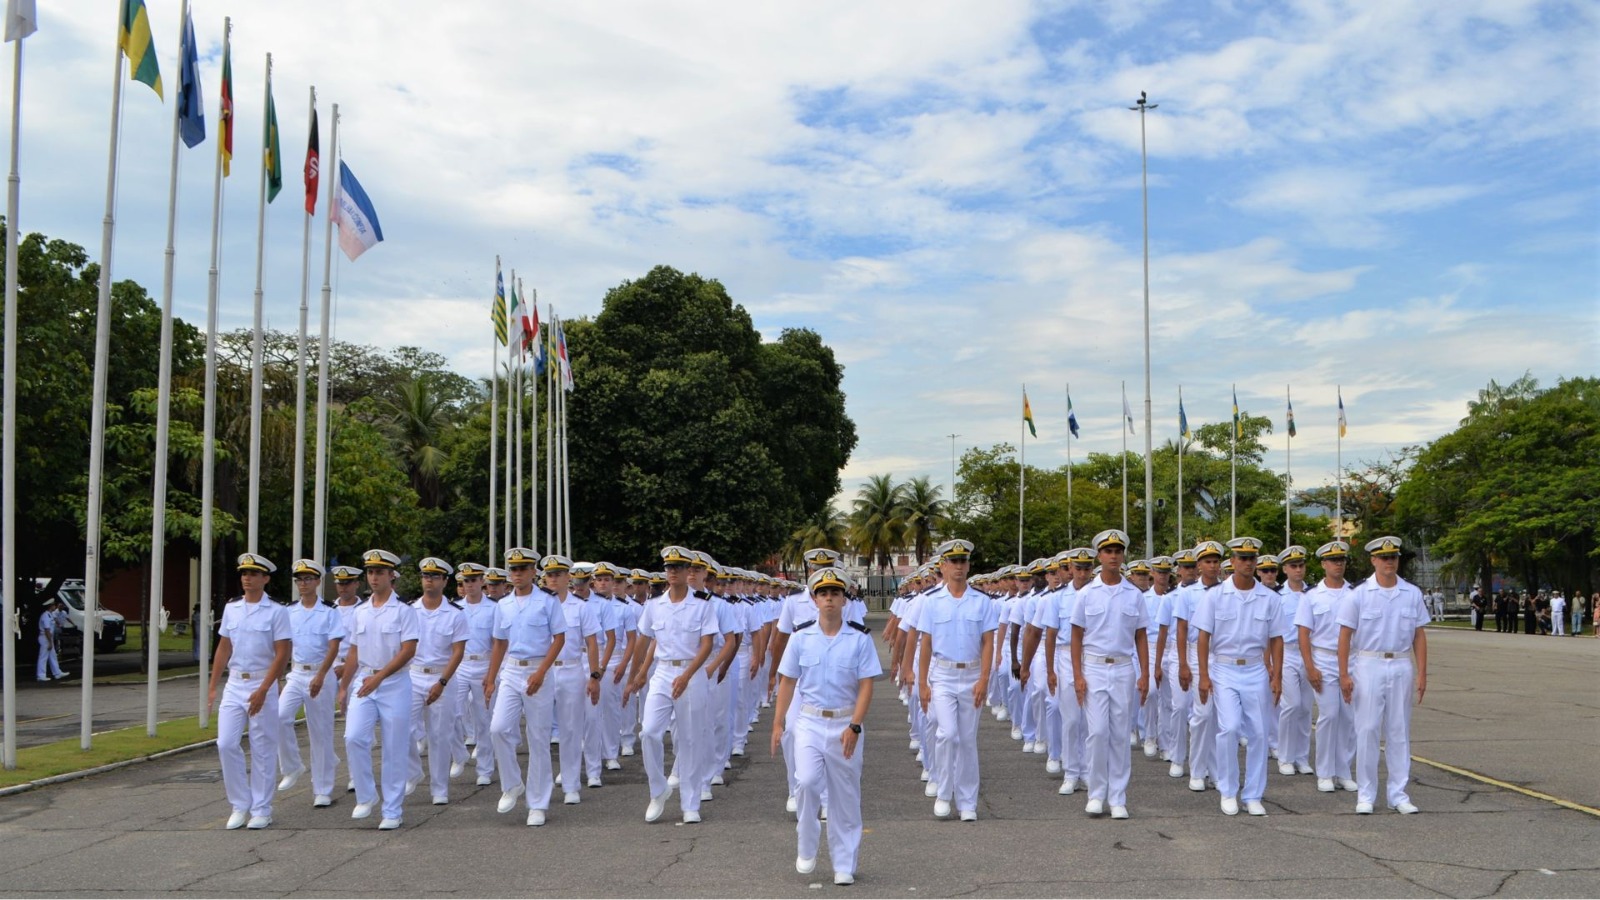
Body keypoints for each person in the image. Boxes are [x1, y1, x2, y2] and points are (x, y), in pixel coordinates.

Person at [771, 567, 879, 886]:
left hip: (846, 722)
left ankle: (844, 863)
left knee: (845, 797)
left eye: (835, 593)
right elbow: (788, 681)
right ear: (815, 600)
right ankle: (806, 843)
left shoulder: (858, 639)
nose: (829, 599)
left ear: (844, 600)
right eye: (823, 594)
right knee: (805, 782)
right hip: (809, 722)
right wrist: (778, 723)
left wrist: (855, 726)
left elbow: (867, 686)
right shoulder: (801, 637)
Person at [626, 545, 719, 824]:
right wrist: (638, 674)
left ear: (688, 570)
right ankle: (659, 790)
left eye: (679, 567)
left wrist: (688, 675)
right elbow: (644, 641)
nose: (673, 572)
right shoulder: (654, 606)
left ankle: (690, 803)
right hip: (664, 673)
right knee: (650, 733)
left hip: (692, 673)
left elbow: (707, 645)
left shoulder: (702, 604)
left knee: (690, 740)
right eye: (669, 567)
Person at [1338, 536, 1428, 814]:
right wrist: (1343, 674)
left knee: (1399, 731)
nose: (1390, 562)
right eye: (1384, 557)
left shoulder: (1411, 593)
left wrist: (1422, 672)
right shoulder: (1359, 594)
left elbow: (1419, 634)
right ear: (1373, 560)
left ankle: (1398, 794)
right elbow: (1344, 635)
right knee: (1367, 730)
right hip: (1369, 664)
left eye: (1394, 557)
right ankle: (1366, 794)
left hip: (1400, 663)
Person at [1194, 537, 1283, 817]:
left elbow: (1277, 639)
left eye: (1251, 558)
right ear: (1231, 562)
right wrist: (1204, 676)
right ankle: (1228, 790)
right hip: (1224, 668)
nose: (1247, 563)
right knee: (1229, 728)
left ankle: (1254, 794)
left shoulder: (1269, 598)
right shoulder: (1215, 596)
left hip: (1256, 668)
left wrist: (1276, 675)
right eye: (1241, 558)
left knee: (1259, 733)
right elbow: (1203, 637)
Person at [1065, 529, 1149, 819]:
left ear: (1124, 555)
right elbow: (1076, 635)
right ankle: (1096, 793)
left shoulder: (1134, 594)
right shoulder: (1087, 594)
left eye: (1118, 551)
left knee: (1120, 735)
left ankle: (1118, 797)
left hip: (1124, 667)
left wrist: (1145, 674)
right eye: (1108, 551)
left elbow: (1141, 636)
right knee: (1098, 732)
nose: (1114, 556)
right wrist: (1077, 675)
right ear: (1099, 556)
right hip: (1094, 667)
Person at [914, 538, 1000, 822]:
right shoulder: (932, 602)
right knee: (946, 734)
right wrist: (923, 683)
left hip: (972, 674)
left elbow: (988, 642)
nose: (959, 567)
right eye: (953, 562)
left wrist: (984, 680)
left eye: (963, 561)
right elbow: (925, 643)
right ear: (943, 566)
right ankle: (943, 792)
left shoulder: (981, 602)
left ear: (968, 565)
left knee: (966, 740)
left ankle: (967, 802)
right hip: (943, 676)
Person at [208, 553, 292, 829]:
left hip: (262, 682)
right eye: (244, 573)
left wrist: (265, 689)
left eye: (254, 574)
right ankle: (239, 804)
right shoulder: (232, 608)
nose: (247, 577)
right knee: (226, 743)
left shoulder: (277, 611)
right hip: (234, 683)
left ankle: (261, 808)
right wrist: (212, 686)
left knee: (263, 747)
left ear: (265, 578)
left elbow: (282, 654)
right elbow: (224, 647)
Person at [484, 548, 567, 826]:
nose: (517, 574)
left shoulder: (547, 601)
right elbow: (499, 643)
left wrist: (542, 672)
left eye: (522, 569)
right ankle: (512, 784)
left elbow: (559, 638)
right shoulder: (503, 605)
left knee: (539, 738)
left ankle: (538, 802)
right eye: (513, 569)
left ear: (533, 572)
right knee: (498, 728)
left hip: (538, 669)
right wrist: (491, 678)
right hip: (511, 670)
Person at [340, 549, 420, 830]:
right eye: (370, 572)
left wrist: (381, 677)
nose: (373, 577)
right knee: (353, 737)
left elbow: (409, 650)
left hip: (395, 683)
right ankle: (366, 796)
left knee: (394, 748)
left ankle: (392, 810)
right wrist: (343, 686)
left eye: (379, 572)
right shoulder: (360, 611)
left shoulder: (404, 611)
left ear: (391, 576)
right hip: (365, 680)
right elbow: (353, 650)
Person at [276, 559, 345, 808]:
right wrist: (277, 678)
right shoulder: (288, 611)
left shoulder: (329, 611)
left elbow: (333, 646)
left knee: (320, 732)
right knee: (280, 717)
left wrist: (321, 676)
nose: (302, 584)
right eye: (299, 580)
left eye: (307, 579)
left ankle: (323, 788)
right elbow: (283, 648)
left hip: (321, 673)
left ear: (317, 581)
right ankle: (293, 766)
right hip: (296, 673)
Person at [1297, 540, 1357, 794]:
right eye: (1333, 561)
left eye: (1342, 560)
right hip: (1322, 658)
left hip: (1352, 660)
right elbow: (1303, 633)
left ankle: (1343, 771)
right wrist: (1309, 667)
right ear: (1323, 564)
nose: (1338, 565)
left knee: (1349, 718)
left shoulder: (1355, 593)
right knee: (1329, 715)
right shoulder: (1311, 596)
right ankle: (1325, 772)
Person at [407, 557, 467, 806]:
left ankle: (439, 788)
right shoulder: (410, 610)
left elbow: (458, 652)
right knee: (403, 729)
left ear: (444, 581)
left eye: (434, 576)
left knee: (439, 736)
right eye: (425, 576)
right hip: (413, 675)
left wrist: (442, 682)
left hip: (443, 676)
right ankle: (412, 772)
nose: (428, 580)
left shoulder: (455, 614)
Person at [453, 562, 497, 786]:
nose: (469, 585)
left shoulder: (493, 609)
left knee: (483, 719)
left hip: (483, 664)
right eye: (465, 581)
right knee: (452, 712)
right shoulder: (455, 608)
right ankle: (459, 752)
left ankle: (485, 769)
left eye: (473, 580)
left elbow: (498, 643)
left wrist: (491, 675)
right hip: (460, 666)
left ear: (482, 582)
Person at [1273, 546, 1314, 778]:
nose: (1298, 570)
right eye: (1293, 566)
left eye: (1301, 565)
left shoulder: (1313, 594)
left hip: (1309, 653)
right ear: (1285, 569)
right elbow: (1272, 632)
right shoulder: (1278, 597)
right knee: (1292, 705)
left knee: (1306, 707)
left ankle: (1301, 756)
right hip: (1286, 653)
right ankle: (1285, 756)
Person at [35, 599, 67, 682]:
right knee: (43, 656)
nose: (55, 606)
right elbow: (47, 630)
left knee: (53, 656)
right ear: (50, 606)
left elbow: (54, 622)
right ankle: (41, 675)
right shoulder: (45, 616)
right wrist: (50, 642)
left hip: (48, 637)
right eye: (53, 605)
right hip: (45, 637)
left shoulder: (50, 614)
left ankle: (57, 673)